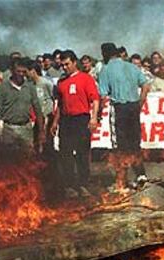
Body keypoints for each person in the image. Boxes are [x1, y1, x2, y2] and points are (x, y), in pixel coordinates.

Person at [98, 42, 150, 193]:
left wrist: (100, 113)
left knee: (120, 147)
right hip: (133, 108)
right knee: (134, 144)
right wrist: (139, 104)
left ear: (105, 54)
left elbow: (102, 96)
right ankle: (141, 176)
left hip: (119, 109)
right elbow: (146, 86)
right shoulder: (132, 67)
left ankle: (122, 182)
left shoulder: (105, 70)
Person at [50, 50, 100, 198]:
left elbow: (95, 99)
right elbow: (59, 105)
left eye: (67, 64)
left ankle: (83, 184)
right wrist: (55, 122)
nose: (64, 67)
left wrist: (94, 118)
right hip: (66, 120)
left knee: (82, 153)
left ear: (74, 62)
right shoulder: (61, 82)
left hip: (81, 119)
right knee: (65, 153)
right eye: (62, 65)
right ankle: (70, 185)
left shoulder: (86, 78)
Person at [0, 58, 45, 153]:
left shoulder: (30, 87)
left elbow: (37, 109)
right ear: (12, 71)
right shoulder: (3, 87)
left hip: (26, 128)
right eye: (18, 71)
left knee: (28, 159)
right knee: (10, 161)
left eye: (24, 72)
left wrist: (41, 131)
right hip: (9, 129)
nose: (21, 74)